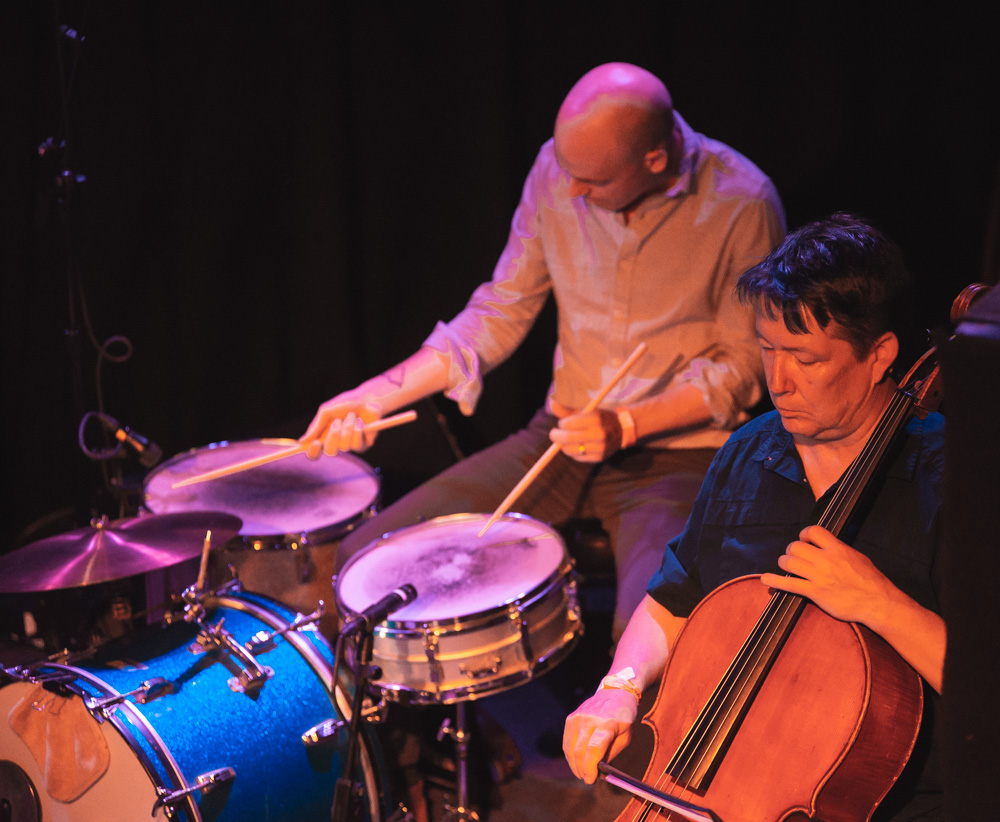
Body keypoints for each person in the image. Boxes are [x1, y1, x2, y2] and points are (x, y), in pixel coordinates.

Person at [302, 62, 786, 640]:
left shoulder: (744, 201)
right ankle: (403, 732)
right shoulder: (558, 171)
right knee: (366, 563)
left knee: (648, 634)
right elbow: (500, 310)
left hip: (676, 458)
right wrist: (372, 397)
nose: (573, 190)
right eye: (568, 171)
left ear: (654, 159)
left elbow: (745, 367)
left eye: (594, 182)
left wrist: (628, 424)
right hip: (560, 435)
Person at [562, 213, 946, 821]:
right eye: (767, 350)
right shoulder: (749, 451)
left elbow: (983, 679)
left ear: (880, 356)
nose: (778, 381)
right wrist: (618, 689)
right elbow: (675, 596)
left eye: (806, 359)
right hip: (714, 780)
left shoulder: (948, 482)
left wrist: (880, 603)